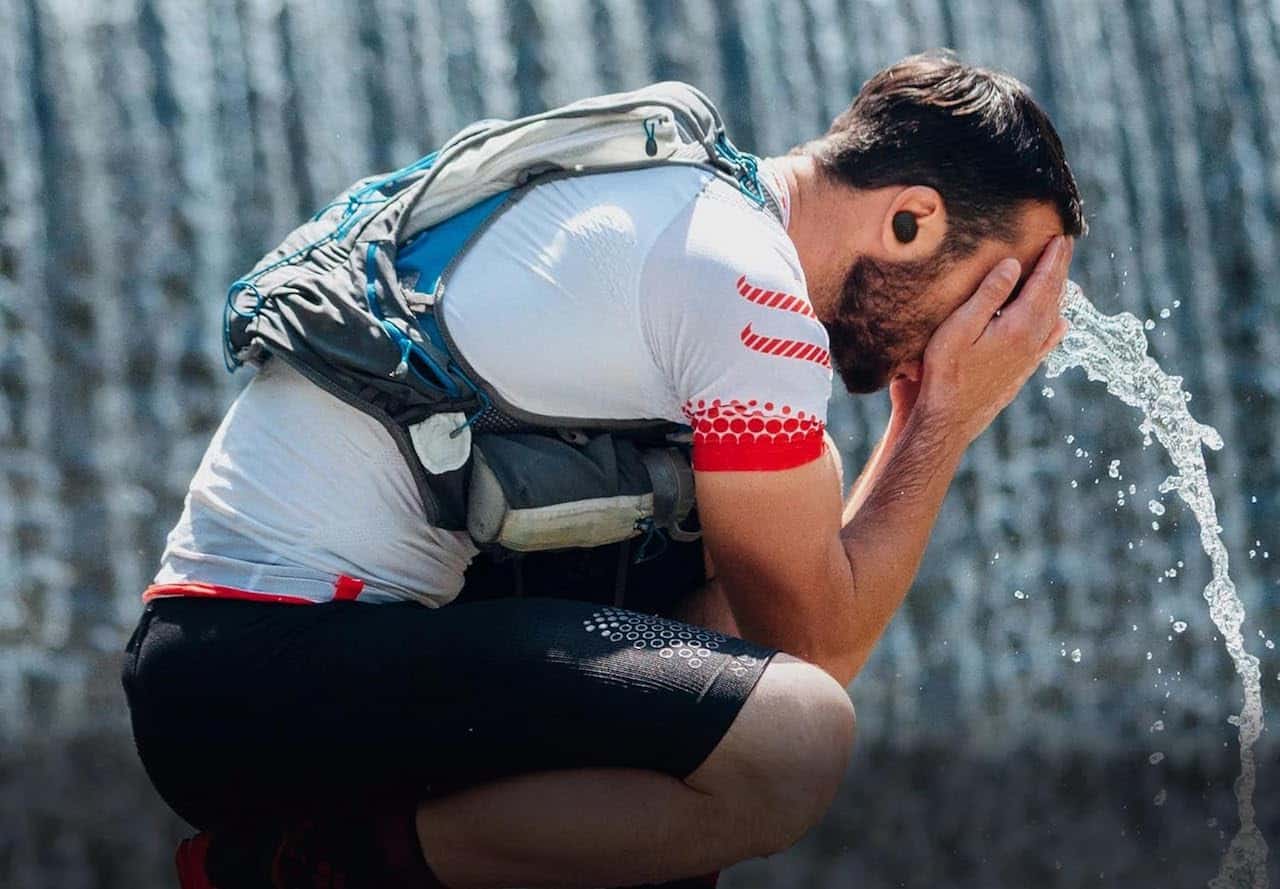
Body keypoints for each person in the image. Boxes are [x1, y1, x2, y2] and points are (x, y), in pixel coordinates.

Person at [120, 51, 1083, 889]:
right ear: (911, 221)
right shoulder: (748, 287)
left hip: (228, 668)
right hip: (263, 670)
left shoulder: (682, 195)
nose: (993, 335)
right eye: (996, 293)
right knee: (794, 736)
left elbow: (756, 626)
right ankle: (313, 868)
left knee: (749, 572)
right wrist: (942, 418)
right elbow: (812, 656)